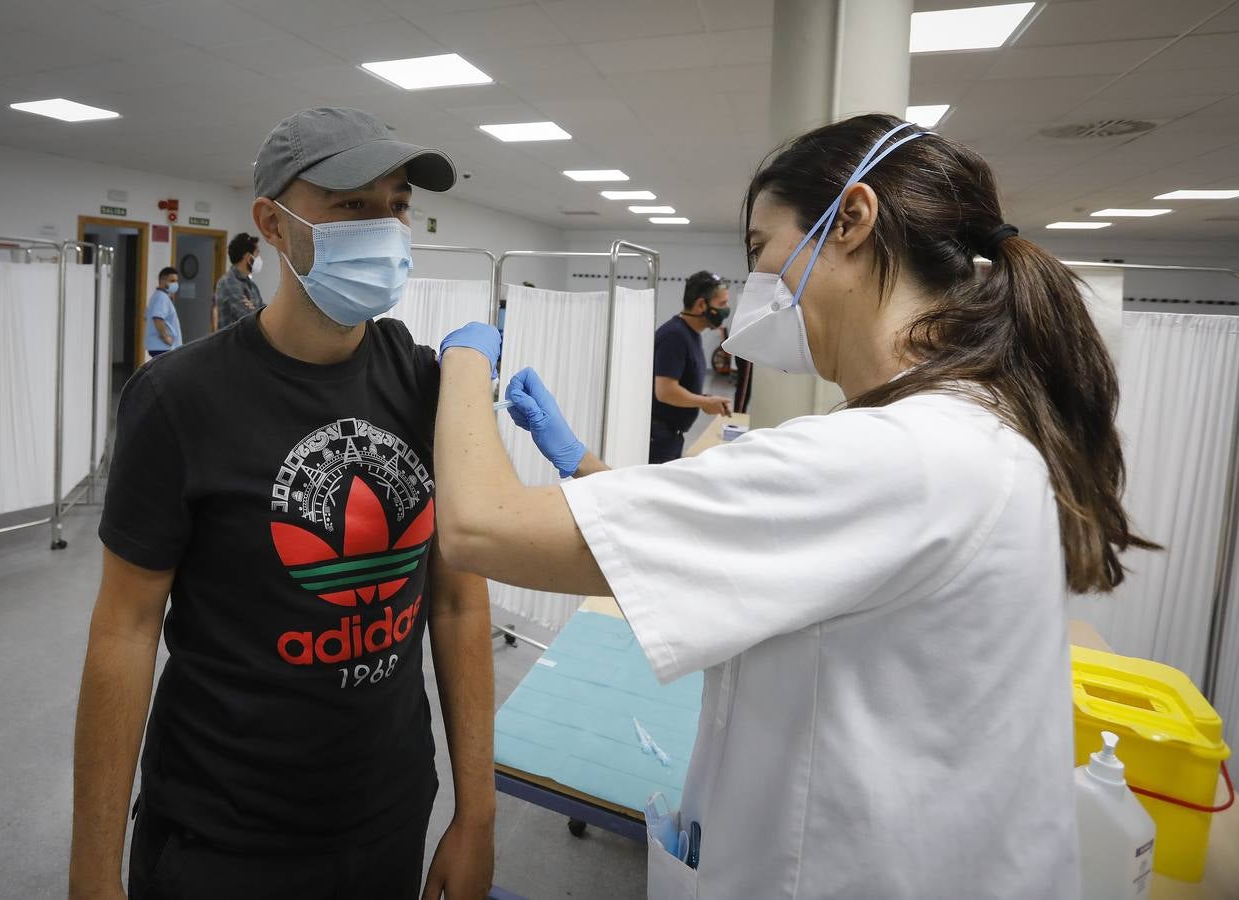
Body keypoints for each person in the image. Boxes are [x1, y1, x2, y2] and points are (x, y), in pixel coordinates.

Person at [430, 114, 1156, 898]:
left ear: (851, 219)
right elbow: (737, 539)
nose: (752, 288)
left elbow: (477, 526)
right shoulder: (957, 429)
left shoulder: (897, 457)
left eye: (760, 250)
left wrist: (467, 355)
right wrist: (582, 464)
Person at [69, 108, 494, 900]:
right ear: (273, 222)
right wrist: (91, 870)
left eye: (397, 205)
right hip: (223, 831)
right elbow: (124, 632)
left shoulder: (425, 384)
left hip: (387, 813)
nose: (386, 227)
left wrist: (479, 816)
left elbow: (461, 604)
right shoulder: (178, 400)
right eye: (352, 205)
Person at [649, 270, 733, 463]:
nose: (726, 310)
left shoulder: (690, 334)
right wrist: (703, 403)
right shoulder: (674, 336)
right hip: (659, 437)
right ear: (701, 305)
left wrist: (705, 400)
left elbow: (679, 385)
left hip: (670, 435)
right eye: (722, 304)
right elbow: (665, 391)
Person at [214, 232, 265, 330]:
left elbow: (263, 311)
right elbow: (247, 317)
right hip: (233, 344)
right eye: (257, 253)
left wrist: (255, 309)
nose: (259, 258)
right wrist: (256, 310)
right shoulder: (228, 282)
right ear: (248, 257)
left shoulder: (251, 284)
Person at [144, 267, 181, 358]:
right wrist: (166, 338)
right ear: (163, 281)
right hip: (163, 347)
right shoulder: (162, 298)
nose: (175, 284)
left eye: (176, 281)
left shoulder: (157, 296)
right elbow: (157, 318)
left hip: (158, 346)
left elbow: (146, 317)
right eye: (172, 280)